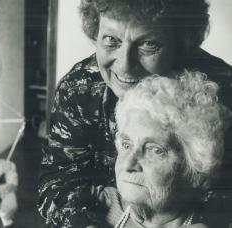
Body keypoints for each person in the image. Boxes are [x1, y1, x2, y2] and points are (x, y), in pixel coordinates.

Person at [37, 0, 232, 227]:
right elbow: (58, 181)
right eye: (111, 40)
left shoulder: (223, 90)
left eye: (148, 44)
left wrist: (209, 221)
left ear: (180, 43)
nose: (124, 66)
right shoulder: (80, 88)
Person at [104, 71, 231, 227]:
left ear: (195, 173)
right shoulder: (100, 203)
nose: (128, 164)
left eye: (155, 150)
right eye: (126, 145)